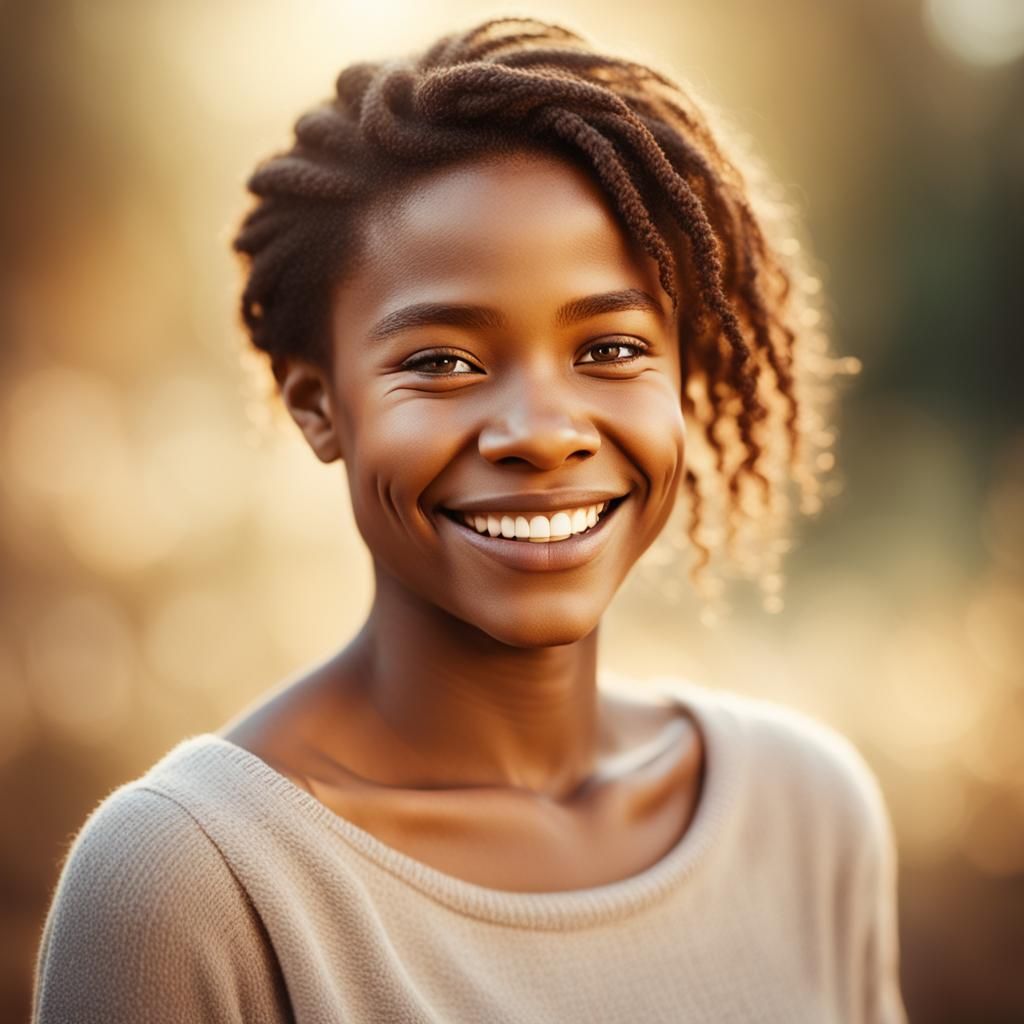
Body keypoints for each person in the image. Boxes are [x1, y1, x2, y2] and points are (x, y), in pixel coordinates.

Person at [31, 17, 906, 1023]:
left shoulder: (808, 812)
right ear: (320, 403)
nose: (541, 433)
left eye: (612, 348)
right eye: (442, 361)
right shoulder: (188, 881)